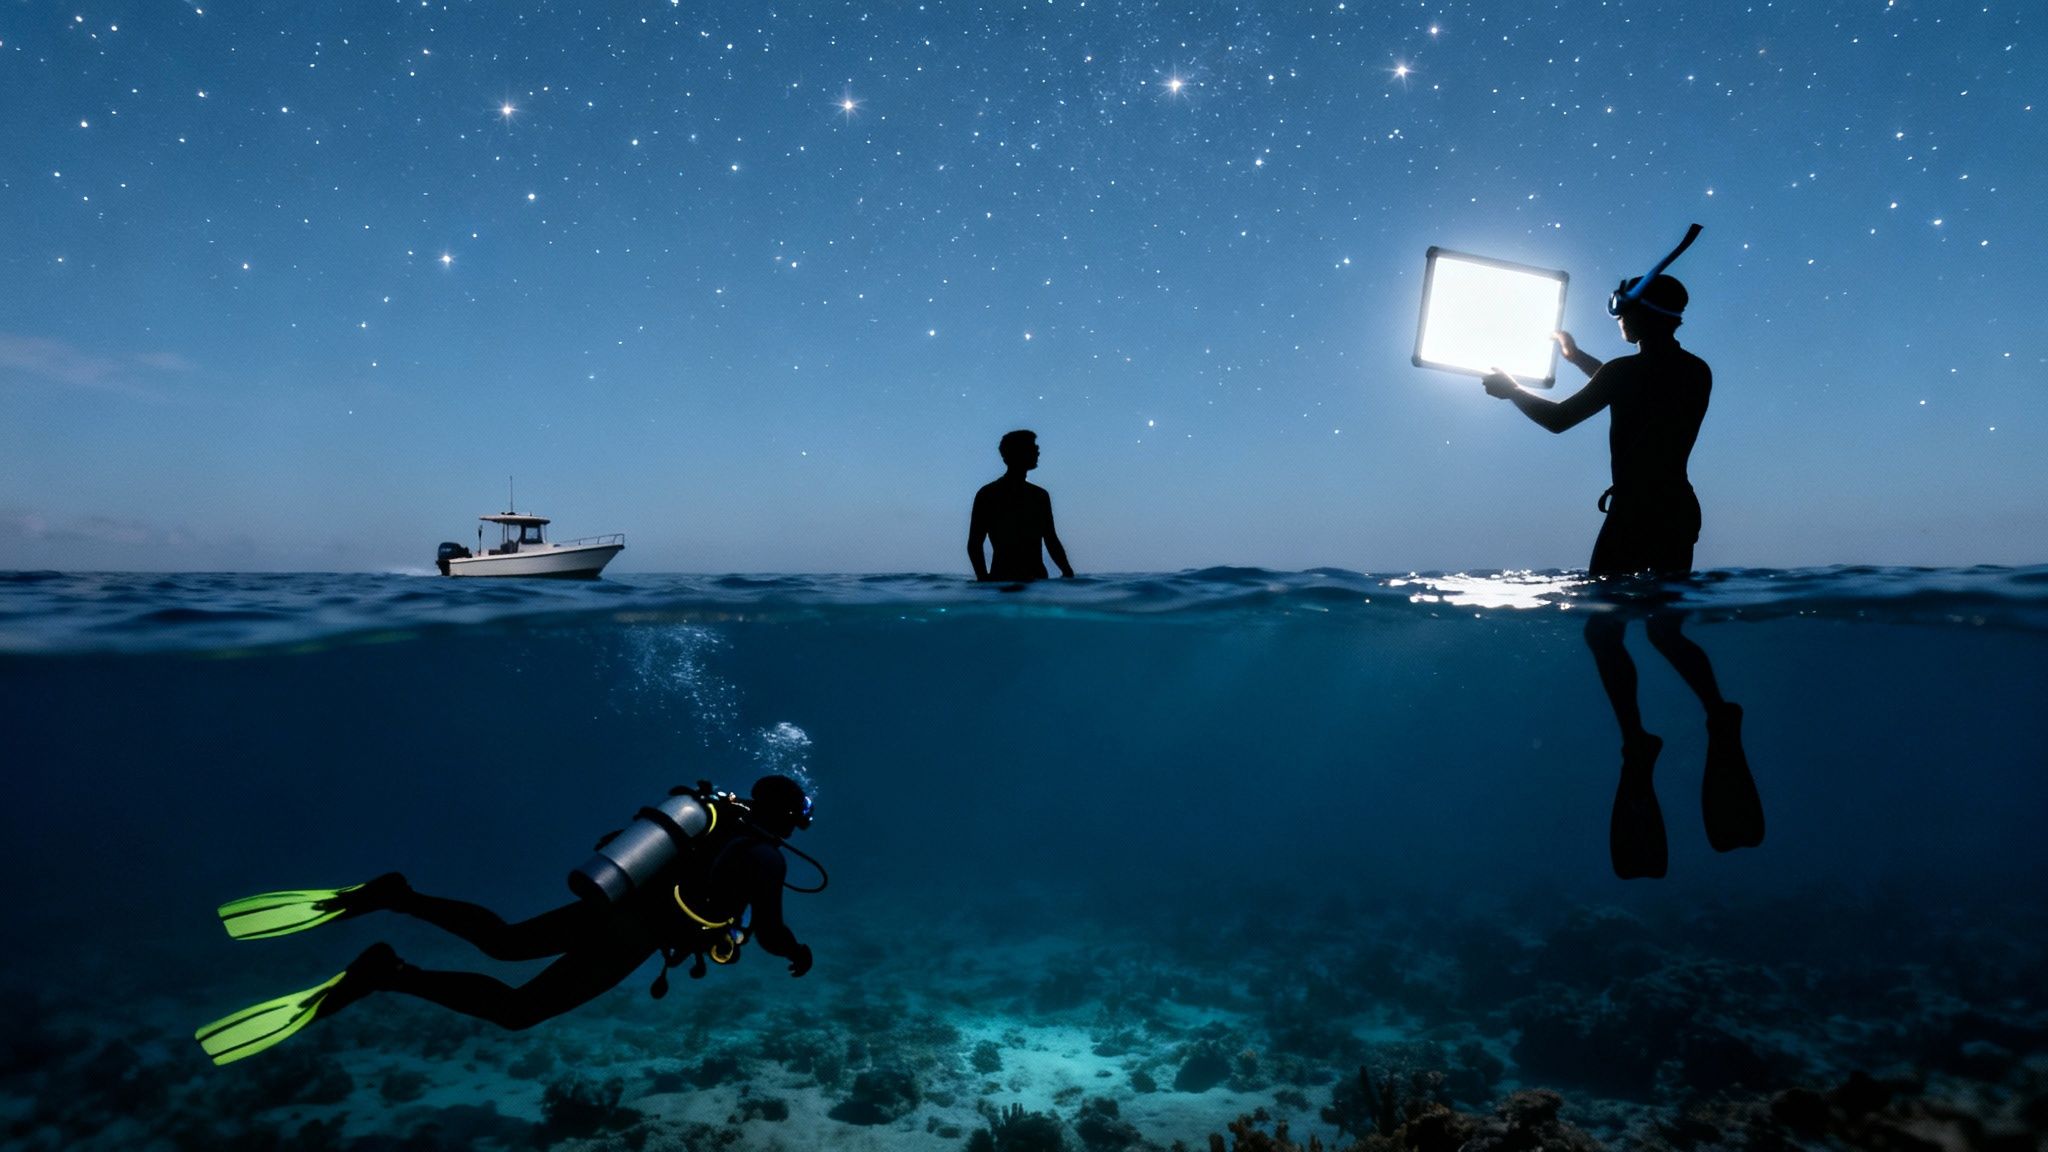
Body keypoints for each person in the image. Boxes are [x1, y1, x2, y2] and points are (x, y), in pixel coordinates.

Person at [196, 775, 820, 1066]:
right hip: (630, 937)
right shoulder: (762, 855)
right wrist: (795, 951)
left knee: (502, 942)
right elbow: (766, 931)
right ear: (789, 819)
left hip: (610, 905)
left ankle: (396, 895)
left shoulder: (713, 826)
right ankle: (387, 972)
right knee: (517, 1011)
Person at [1481, 272, 1762, 879]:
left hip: (1634, 515)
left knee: (1603, 632)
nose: (1618, 321)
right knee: (1665, 630)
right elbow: (1633, 387)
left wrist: (1511, 392)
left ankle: (1638, 739)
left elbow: (1559, 420)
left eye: (1621, 313)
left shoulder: (1626, 374)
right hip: (1677, 511)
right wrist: (1579, 356)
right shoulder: (1695, 371)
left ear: (1638, 315)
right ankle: (1719, 711)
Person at [968, 429, 1074, 582]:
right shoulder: (1037, 496)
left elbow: (1051, 540)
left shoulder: (988, 494)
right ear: (1017, 453)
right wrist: (1067, 572)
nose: (1038, 451)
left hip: (1004, 580)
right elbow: (974, 544)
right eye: (1032, 447)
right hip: (1033, 581)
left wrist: (983, 580)